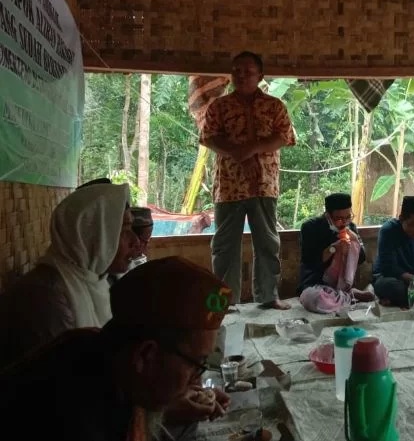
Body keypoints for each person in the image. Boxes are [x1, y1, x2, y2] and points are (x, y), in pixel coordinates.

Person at [0, 256, 232, 441]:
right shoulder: (74, 416)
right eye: (196, 366)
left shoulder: (97, 346)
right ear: (145, 354)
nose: (196, 382)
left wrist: (170, 402)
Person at [0, 182, 138, 367]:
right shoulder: (46, 297)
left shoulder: (98, 281)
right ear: (91, 234)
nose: (135, 241)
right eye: (124, 230)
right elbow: (65, 381)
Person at [200, 51, 296, 310]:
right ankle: (224, 301)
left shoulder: (275, 106)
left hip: (264, 184)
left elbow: (285, 137)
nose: (240, 76)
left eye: (247, 72)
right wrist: (237, 154)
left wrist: (253, 149)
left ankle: (267, 296)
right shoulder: (219, 106)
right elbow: (208, 137)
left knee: (267, 243)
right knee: (224, 246)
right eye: (236, 71)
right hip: (229, 186)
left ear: (260, 76)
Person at [298, 193, 374, 313]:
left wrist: (355, 242)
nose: (344, 222)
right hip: (316, 283)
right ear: (328, 216)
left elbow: (361, 259)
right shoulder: (310, 227)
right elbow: (310, 261)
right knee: (312, 299)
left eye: (348, 217)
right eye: (339, 219)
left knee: (354, 244)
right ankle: (350, 296)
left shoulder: (350, 227)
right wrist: (333, 249)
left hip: (341, 284)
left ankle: (344, 294)